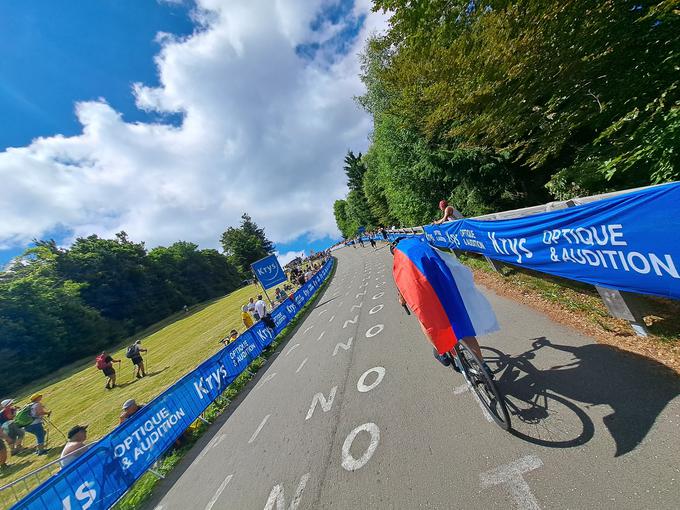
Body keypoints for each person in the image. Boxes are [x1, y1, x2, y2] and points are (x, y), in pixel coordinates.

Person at [390, 237, 498, 374]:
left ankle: (441, 352)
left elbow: (404, 288)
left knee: (425, 318)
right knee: (460, 323)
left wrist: (402, 301)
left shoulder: (398, 259)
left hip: (420, 286)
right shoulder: (420, 241)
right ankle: (483, 366)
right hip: (441, 278)